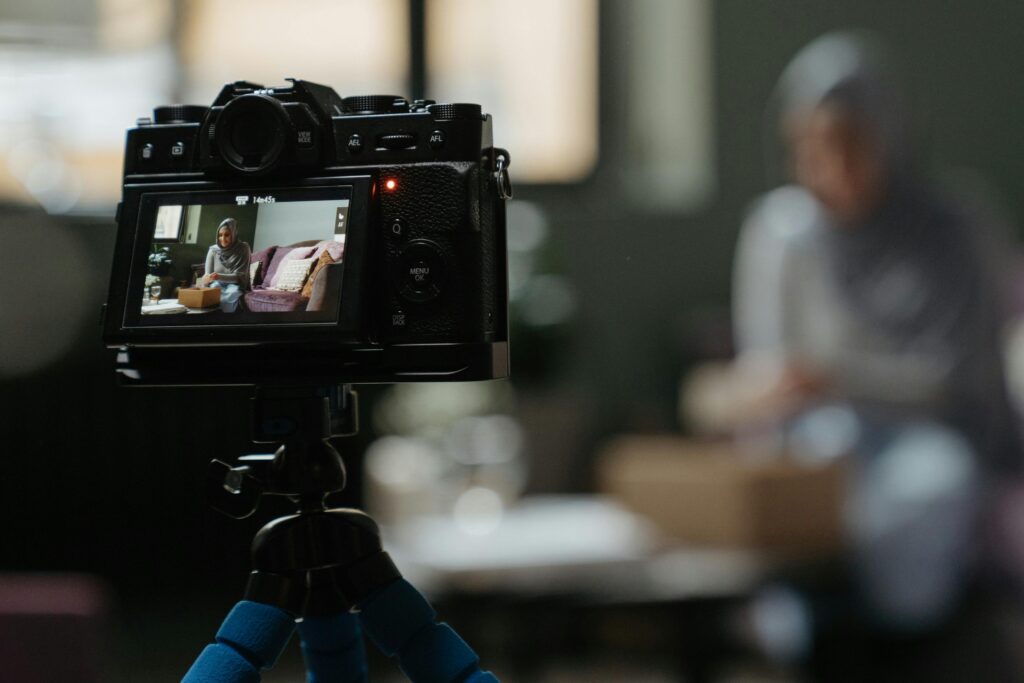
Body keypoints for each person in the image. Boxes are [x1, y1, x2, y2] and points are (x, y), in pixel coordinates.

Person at [723, 31, 1022, 675]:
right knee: (808, 476)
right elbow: (765, 370)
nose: (829, 169)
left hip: (933, 436)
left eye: (848, 144)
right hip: (819, 435)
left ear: (888, 135)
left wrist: (840, 378)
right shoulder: (782, 235)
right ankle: (812, 627)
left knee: (922, 491)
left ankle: (892, 638)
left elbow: (957, 381)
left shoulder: (954, 229)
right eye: (809, 147)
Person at [202, 218, 251, 312]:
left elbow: (239, 277)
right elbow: (207, 274)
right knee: (212, 295)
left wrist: (218, 276)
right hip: (216, 283)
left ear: (234, 234)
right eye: (220, 235)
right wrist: (207, 278)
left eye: (227, 235)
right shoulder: (213, 250)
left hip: (235, 285)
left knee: (227, 298)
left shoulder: (243, 248)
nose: (223, 239)